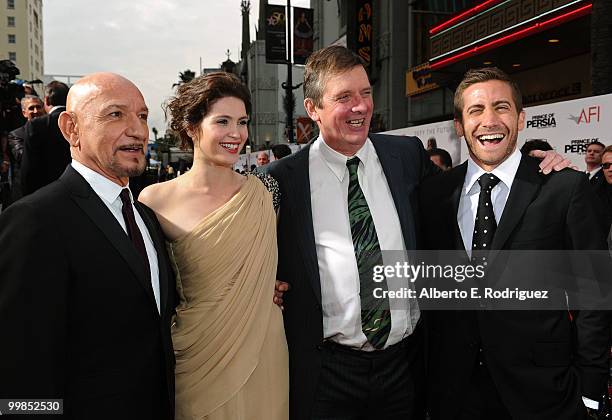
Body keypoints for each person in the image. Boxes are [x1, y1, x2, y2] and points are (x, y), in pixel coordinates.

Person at [271, 46, 574, 420]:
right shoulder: (282, 181)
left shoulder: (405, 156)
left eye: (366, 93)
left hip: (407, 368)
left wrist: (532, 166)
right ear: (313, 107)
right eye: (344, 97)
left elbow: (471, 189)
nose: (361, 107)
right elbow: (257, 259)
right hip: (326, 373)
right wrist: (264, 285)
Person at [419, 67, 610, 419]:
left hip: (544, 394)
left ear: (521, 119)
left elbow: (593, 297)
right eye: (476, 110)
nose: (490, 121)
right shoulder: (433, 195)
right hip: (453, 393)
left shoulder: (565, 188)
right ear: (459, 125)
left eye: (502, 107)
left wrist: (591, 389)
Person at [0, 73, 176, 419]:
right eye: (116, 114)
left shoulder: (146, 218)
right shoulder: (35, 220)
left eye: (142, 116)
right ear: (71, 128)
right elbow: (18, 370)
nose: (138, 131)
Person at [139, 72, 288, 420]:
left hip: (264, 346)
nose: (236, 133)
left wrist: (274, 284)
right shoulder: (154, 200)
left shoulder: (266, 192)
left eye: (242, 122)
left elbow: (270, 265)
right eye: (222, 121)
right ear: (192, 127)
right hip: (196, 352)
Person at [20, 80, 71, 196]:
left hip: (44, 193)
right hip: (78, 193)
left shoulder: (36, 125)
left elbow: (28, 168)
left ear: (46, 100)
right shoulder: (80, 124)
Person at [6, 95, 46, 204]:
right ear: (24, 113)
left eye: (39, 107)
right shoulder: (16, 135)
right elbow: (23, 157)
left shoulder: (54, 130)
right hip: (26, 193)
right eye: (31, 108)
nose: (36, 111)